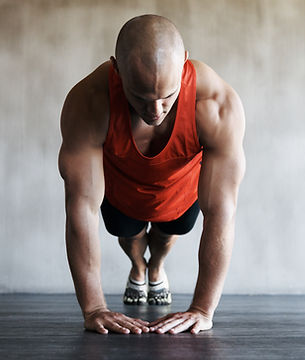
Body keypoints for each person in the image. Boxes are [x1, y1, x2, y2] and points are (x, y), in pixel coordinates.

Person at [58, 14, 245, 335]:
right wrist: (94, 309)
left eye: (167, 97)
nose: (155, 111)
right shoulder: (89, 103)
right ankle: (138, 266)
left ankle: (155, 267)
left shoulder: (216, 104)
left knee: (167, 235)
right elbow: (81, 208)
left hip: (181, 193)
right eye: (141, 99)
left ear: (184, 64)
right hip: (120, 193)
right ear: (116, 70)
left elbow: (222, 211)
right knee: (129, 235)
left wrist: (202, 309)